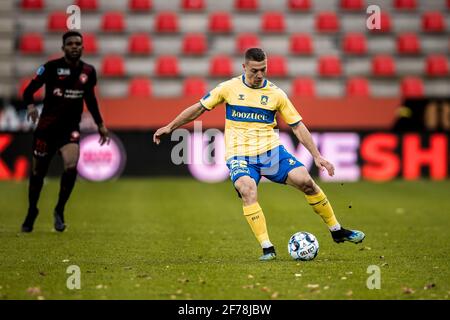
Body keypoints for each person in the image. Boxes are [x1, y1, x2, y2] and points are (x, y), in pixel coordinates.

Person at [153, 48, 365, 261]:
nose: (259, 75)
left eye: (263, 69)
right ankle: (267, 248)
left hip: (271, 152)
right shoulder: (228, 88)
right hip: (239, 155)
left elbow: (297, 126)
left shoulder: (276, 94)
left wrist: (317, 155)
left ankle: (337, 231)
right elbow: (199, 108)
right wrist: (170, 126)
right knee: (247, 188)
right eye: (254, 70)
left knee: (306, 181)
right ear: (244, 67)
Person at [21, 31, 110, 233]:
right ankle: (31, 210)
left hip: (70, 130)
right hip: (46, 130)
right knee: (37, 174)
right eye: (70, 43)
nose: (74, 46)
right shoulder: (50, 68)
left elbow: (91, 100)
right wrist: (30, 106)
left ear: (83, 47)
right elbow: (28, 91)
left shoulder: (89, 71)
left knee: (71, 167)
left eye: (78, 43)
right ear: (63, 48)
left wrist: (100, 124)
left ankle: (59, 211)